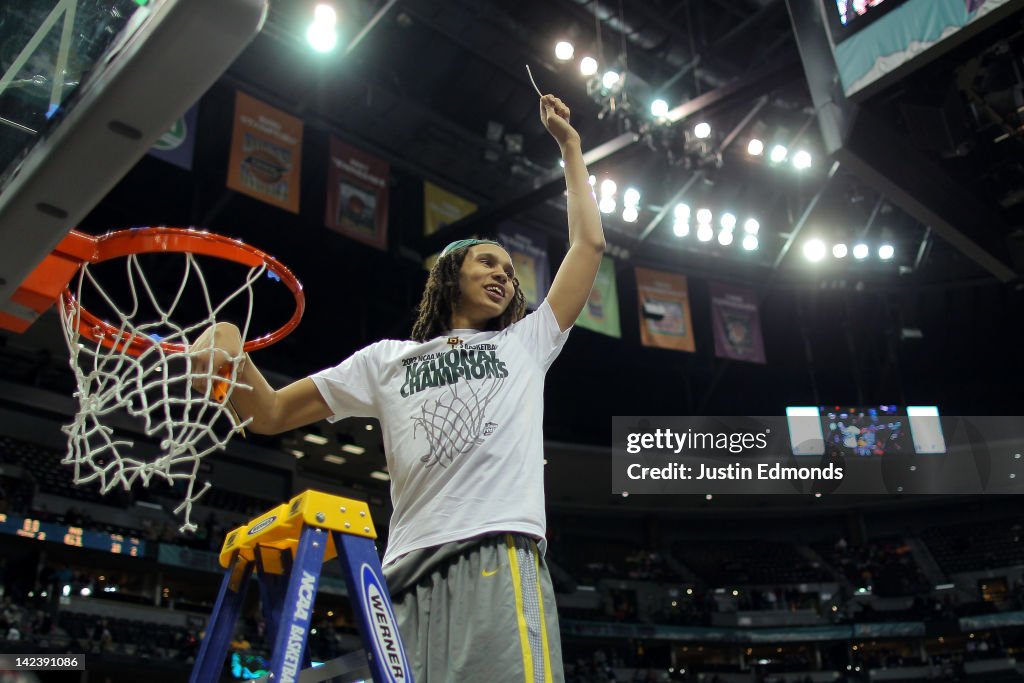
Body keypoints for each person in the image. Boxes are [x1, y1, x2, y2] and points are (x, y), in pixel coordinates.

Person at [193, 92, 604, 682]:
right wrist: (228, 348)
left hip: (496, 549)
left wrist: (570, 146)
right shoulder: (384, 361)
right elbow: (271, 414)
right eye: (489, 263)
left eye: (510, 273)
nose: (503, 276)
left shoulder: (527, 341)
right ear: (450, 275)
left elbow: (588, 246)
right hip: (401, 571)